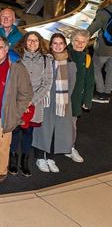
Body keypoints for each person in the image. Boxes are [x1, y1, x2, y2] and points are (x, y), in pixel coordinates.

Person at [0, 35, 33, 184]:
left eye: (0, 48)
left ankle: (0, 171)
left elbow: (26, 93)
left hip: (5, 114)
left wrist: (16, 112)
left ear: (6, 48)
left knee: (3, 145)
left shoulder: (16, 66)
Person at [9, 32, 53, 176]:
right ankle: (13, 159)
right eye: (29, 40)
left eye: (35, 41)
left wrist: (31, 101)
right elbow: (11, 80)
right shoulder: (16, 57)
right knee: (14, 131)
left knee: (28, 133)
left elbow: (47, 84)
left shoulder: (46, 60)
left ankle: (24, 161)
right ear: (24, 42)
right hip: (17, 101)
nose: (32, 43)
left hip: (35, 102)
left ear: (40, 43)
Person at [32, 33, 74, 173]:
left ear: (65, 45)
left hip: (61, 103)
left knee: (56, 130)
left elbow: (72, 85)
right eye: (54, 43)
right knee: (41, 129)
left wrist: (65, 101)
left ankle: (50, 158)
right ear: (50, 45)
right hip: (45, 100)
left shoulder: (70, 63)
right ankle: (40, 157)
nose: (57, 46)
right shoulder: (45, 60)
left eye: (60, 43)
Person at [66, 29, 94, 163]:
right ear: (72, 40)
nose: (79, 44)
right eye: (77, 40)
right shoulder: (64, 54)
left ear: (87, 43)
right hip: (61, 96)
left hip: (76, 99)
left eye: (83, 42)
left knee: (72, 125)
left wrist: (87, 100)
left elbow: (90, 81)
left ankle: (70, 148)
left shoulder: (87, 58)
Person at [87, 0, 112, 103]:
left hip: (104, 47)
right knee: (110, 70)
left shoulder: (103, 12)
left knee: (96, 67)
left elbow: (92, 28)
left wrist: (81, 38)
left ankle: (101, 93)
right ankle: (108, 91)